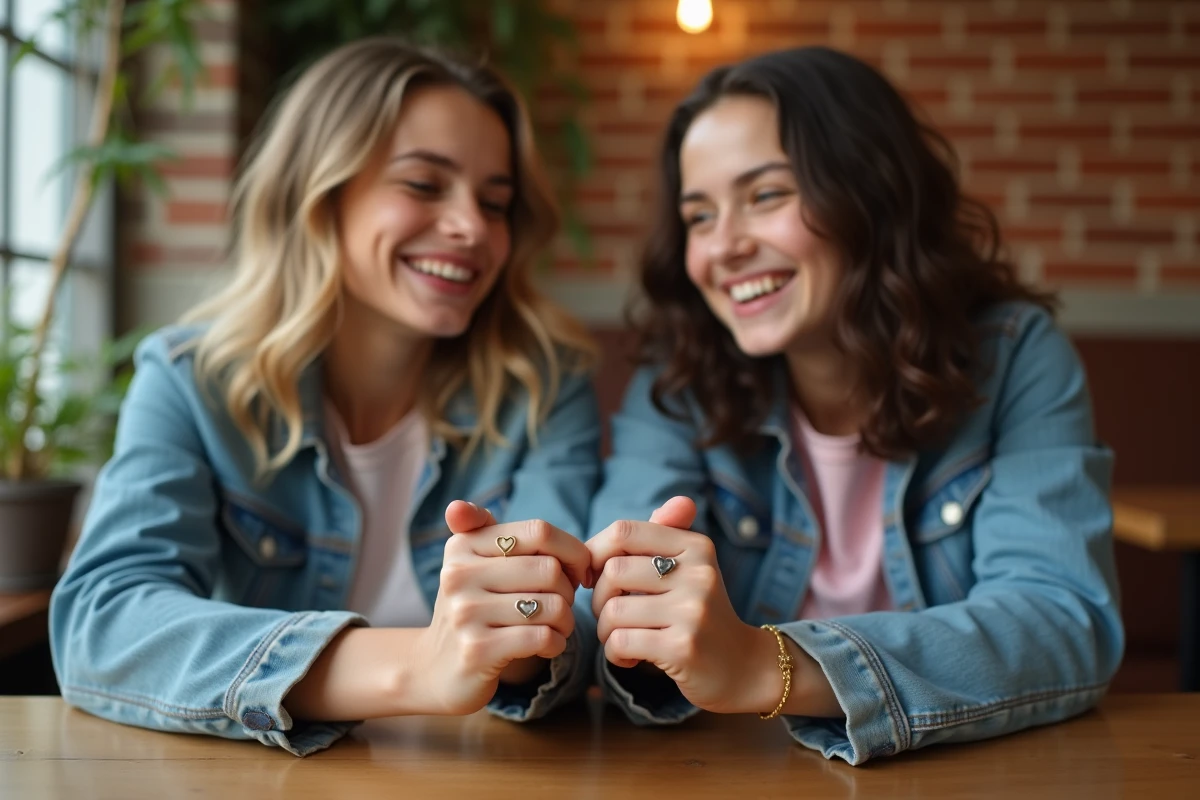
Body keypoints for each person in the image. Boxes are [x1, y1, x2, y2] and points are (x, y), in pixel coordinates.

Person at [50, 38, 601, 756]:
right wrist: (416, 670)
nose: (473, 228)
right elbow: (103, 622)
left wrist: (529, 636)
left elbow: (576, 624)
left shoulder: (544, 387)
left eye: (495, 203)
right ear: (318, 192)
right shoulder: (190, 379)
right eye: (424, 185)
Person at [586, 46, 1123, 764]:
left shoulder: (1017, 356)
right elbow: (611, 608)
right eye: (699, 215)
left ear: (870, 191)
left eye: (767, 195)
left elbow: (1062, 618)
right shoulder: (681, 378)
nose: (725, 247)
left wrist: (765, 665)